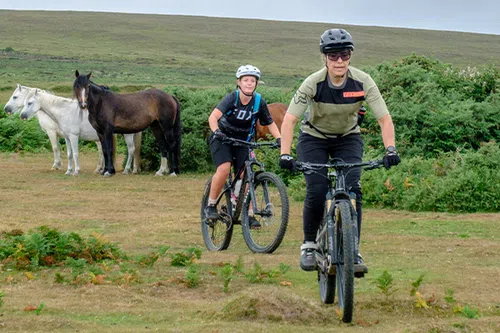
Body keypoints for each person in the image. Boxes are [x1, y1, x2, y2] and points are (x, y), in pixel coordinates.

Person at [279, 28, 400, 272]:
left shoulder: (363, 81)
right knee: (317, 189)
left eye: (344, 55)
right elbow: (290, 120)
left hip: (348, 138)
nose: (339, 61)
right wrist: (285, 153)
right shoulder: (312, 83)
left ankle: (353, 250)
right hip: (314, 138)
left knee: (354, 190)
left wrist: (390, 149)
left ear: (351, 55)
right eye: (333, 56)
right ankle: (309, 245)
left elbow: (384, 119)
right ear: (324, 57)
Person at [205, 65, 281, 227]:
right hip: (222, 138)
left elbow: (270, 123)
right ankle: (211, 205)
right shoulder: (232, 98)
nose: (249, 83)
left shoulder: (259, 101)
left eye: (252, 81)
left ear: (256, 84)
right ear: (239, 82)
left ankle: (249, 213)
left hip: (243, 141)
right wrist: (216, 131)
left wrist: (280, 139)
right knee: (224, 169)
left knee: (248, 175)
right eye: (246, 80)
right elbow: (213, 118)